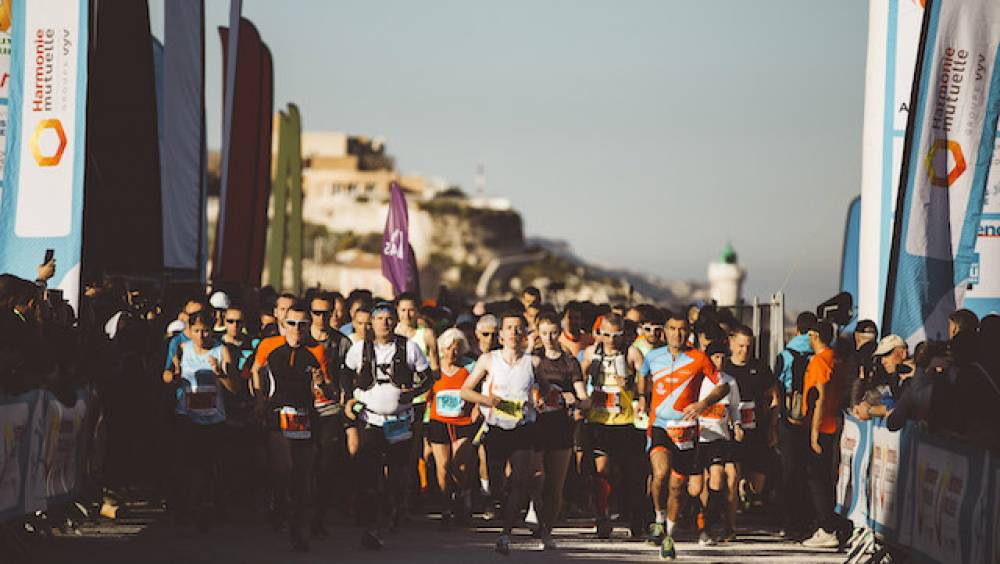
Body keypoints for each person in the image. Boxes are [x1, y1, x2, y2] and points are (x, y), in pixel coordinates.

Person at [343, 302, 436, 550]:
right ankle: (371, 520)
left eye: (388, 318)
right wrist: (350, 397)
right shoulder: (358, 349)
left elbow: (428, 378)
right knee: (370, 472)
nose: (384, 323)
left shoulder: (410, 348)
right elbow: (344, 373)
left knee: (397, 472)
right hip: (370, 419)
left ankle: (394, 510)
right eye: (379, 318)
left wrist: (413, 392)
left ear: (395, 322)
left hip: (400, 421)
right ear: (371, 323)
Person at [642, 312, 730, 560]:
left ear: (688, 332)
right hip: (659, 426)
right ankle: (658, 518)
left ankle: (669, 535)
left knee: (678, 486)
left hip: (686, 430)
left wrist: (703, 404)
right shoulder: (653, 357)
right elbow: (642, 378)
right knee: (660, 473)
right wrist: (641, 398)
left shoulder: (699, 358)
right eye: (672, 329)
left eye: (682, 330)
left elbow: (723, 386)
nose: (677, 334)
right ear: (665, 331)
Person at [460, 311, 547, 555]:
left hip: (523, 428)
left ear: (524, 335)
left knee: (520, 480)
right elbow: (465, 391)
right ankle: (503, 503)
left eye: (519, 328)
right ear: (501, 335)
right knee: (497, 485)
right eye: (509, 328)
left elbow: (547, 392)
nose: (514, 332)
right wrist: (488, 400)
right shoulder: (489, 360)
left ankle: (505, 535)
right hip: (496, 429)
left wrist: (541, 402)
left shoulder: (533, 363)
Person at [251, 303, 331, 552]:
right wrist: (260, 398)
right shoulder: (269, 346)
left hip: (305, 415)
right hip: (279, 412)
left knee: (303, 476)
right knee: (284, 468)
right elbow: (255, 370)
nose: (297, 329)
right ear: (283, 325)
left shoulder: (317, 351)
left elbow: (329, 389)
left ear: (309, 327)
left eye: (303, 325)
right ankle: (278, 500)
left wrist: (321, 384)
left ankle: (298, 526)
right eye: (292, 324)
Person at [163, 310, 234, 531]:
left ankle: (206, 506)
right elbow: (166, 375)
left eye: (205, 331)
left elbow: (235, 388)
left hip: (214, 418)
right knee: (188, 465)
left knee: (208, 466)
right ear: (189, 331)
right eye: (196, 331)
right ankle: (187, 507)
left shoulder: (222, 351)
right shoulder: (182, 349)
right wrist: (172, 377)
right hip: (187, 415)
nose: (202, 336)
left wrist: (221, 374)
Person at [580, 313, 645, 539]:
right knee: (601, 472)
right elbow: (579, 377)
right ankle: (602, 516)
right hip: (599, 421)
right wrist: (582, 399)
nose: (610, 340)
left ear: (623, 334)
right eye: (606, 334)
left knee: (630, 474)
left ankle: (636, 518)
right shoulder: (591, 352)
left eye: (616, 335)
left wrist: (632, 386)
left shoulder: (632, 352)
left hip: (626, 421)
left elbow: (646, 379)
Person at [532, 312, 588, 549]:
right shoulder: (532, 359)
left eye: (553, 332)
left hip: (560, 426)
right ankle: (534, 508)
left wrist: (574, 399)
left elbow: (584, 398)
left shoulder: (569, 361)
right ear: (538, 333)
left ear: (560, 331)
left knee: (556, 484)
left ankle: (547, 530)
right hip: (535, 425)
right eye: (544, 333)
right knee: (536, 477)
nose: (549, 338)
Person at [688, 340, 742, 545]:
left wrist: (737, 425)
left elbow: (735, 408)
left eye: (722, 357)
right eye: (715, 357)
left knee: (717, 479)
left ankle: (707, 527)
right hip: (698, 438)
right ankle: (695, 514)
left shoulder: (730, 382)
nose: (719, 361)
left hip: (719, 438)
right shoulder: (698, 381)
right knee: (695, 487)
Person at [308, 292, 353, 537]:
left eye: (327, 313)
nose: (322, 318)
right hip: (304, 408)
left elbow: (348, 376)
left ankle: (319, 516)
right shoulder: (301, 339)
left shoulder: (341, 342)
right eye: (317, 313)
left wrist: (345, 400)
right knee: (304, 464)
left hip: (331, 409)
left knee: (326, 464)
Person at [427, 328, 479, 525]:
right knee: (443, 466)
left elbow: (479, 390)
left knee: (460, 465)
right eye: (448, 348)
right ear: (441, 349)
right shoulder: (434, 370)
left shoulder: (470, 368)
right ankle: (445, 505)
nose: (452, 353)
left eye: (456, 349)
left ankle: (463, 494)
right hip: (438, 421)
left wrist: (477, 408)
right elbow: (426, 394)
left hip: (463, 422)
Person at [773, 311, 817, 540]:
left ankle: (791, 521)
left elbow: (777, 386)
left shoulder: (785, 354)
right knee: (811, 471)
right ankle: (810, 519)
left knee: (790, 470)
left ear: (797, 329)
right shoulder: (817, 353)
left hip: (789, 417)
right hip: (813, 418)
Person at [724, 325, 775, 512]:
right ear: (730, 342)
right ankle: (730, 520)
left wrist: (772, 425)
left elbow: (774, 396)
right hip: (731, 430)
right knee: (732, 475)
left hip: (757, 429)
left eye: (748, 347)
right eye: (740, 346)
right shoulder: (725, 367)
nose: (744, 351)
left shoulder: (759, 367)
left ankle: (746, 488)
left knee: (757, 485)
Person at [801, 320, 841, 549]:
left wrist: (814, 431)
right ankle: (825, 525)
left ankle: (827, 528)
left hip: (822, 426)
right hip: (832, 424)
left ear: (814, 335)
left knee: (816, 478)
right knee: (824, 478)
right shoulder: (835, 358)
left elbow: (819, 397)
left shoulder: (819, 361)